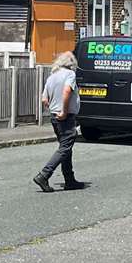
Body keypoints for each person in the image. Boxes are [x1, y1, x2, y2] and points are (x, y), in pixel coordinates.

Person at [34, 50, 86, 192]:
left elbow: (44, 99)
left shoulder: (53, 75)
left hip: (54, 116)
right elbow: (67, 91)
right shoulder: (70, 74)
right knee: (65, 147)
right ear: (71, 64)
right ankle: (44, 175)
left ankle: (69, 180)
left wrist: (54, 107)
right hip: (65, 116)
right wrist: (63, 110)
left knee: (65, 148)